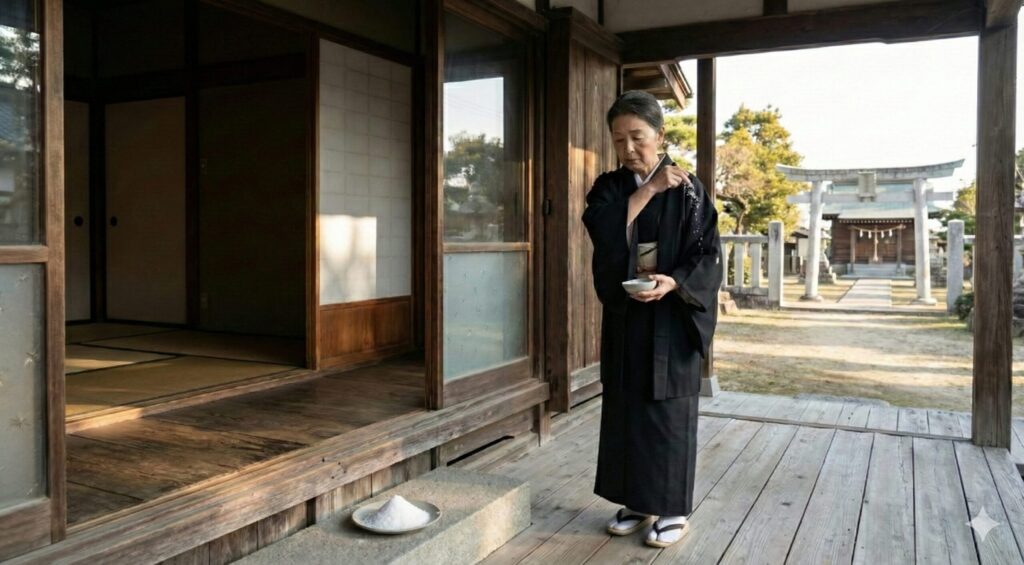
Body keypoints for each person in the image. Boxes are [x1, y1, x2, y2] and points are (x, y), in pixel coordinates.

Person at [581, 90, 722, 548]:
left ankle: (674, 508)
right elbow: (601, 231)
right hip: (628, 317)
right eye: (618, 139)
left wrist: (675, 282)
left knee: (668, 414)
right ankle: (637, 501)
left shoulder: (690, 189)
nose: (627, 148)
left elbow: (707, 254)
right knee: (627, 410)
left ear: (660, 135)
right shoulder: (609, 187)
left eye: (637, 137)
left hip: (673, 317)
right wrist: (647, 189)